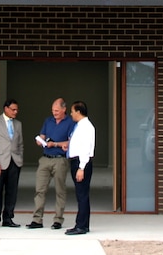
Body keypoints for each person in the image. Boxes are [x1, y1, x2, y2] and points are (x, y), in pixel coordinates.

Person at [27, 98, 75, 230]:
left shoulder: (70, 122)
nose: (54, 113)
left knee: (60, 190)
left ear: (64, 109)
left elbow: (71, 142)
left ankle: (58, 220)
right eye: (53, 110)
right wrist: (40, 139)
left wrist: (55, 144)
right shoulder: (48, 120)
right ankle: (37, 220)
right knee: (40, 189)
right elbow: (43, 135)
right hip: (45, 158)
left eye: (57, 110)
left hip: (60, 159)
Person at [0, 98, 24, 229]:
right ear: (6, 109)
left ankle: (8, 218)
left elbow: (20, 144)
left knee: (12, 192)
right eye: (13, 109)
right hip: (0, 162)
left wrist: (20, 158)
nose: (15, 112)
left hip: (15, 161)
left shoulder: (18, 124)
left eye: (17, 109)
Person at [65, 100, 95, 236]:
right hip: (76, 161)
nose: (71, 113)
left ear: (78, 111)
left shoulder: (86, 127)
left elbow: (85, 148)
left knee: (82, 194)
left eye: (72, 111)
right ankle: (82, 224)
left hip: (81, 162)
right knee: (81, 194)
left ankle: (81, 226)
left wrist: (81, 167)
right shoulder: (80, 126)